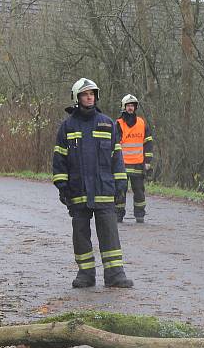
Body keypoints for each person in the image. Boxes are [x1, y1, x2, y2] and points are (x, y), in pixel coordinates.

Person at [52, 78, 133, 288]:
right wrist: (62, 185)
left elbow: (117, 157)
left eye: (92, 94)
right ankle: (85, 274)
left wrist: (121, 184)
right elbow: (59, 158)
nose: (89, 97)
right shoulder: (67, 126)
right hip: (77, 190)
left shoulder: (107, 123)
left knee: (109, 233)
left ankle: (115, 274)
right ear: (77, 97)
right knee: (80, 234)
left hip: (104, 190)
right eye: (85, 94)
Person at [115, 94, 154, 224]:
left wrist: (147, 162)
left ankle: (140, 215)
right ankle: (118, 215)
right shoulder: (118, 124)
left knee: (139, 191)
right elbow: (113, 144)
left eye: (132, 105)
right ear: (124, 107)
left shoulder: (142, 123)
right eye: (128, 105)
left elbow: (148, 143)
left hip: (138, 164)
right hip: (122, 164)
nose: (131, 108)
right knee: (120, 190)